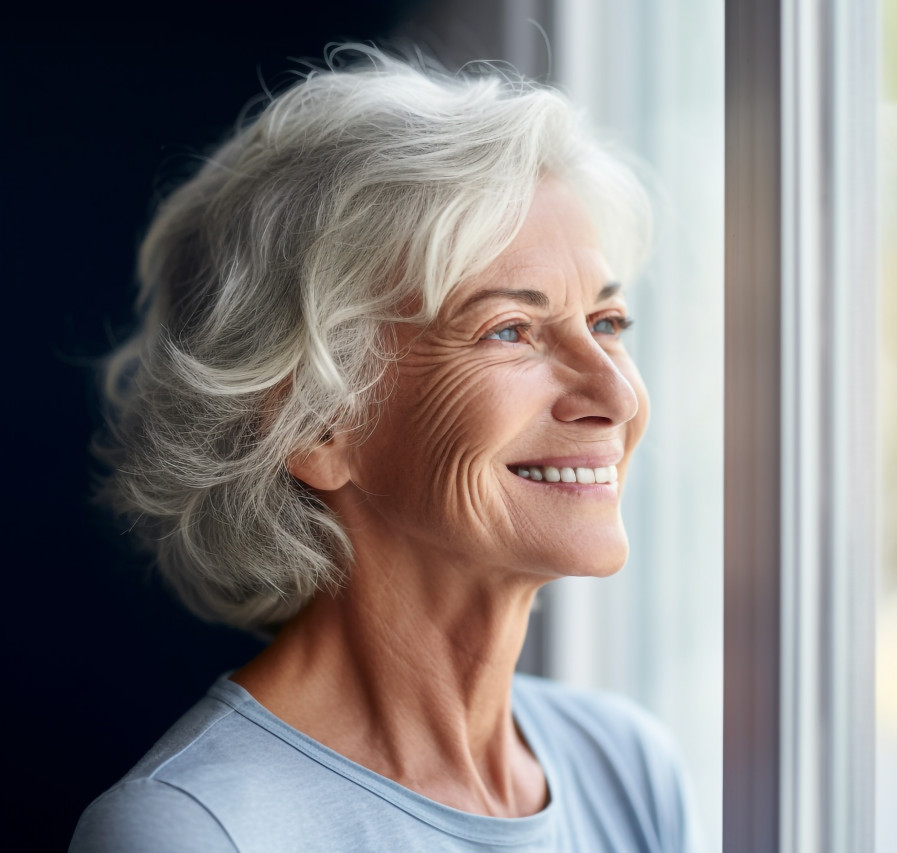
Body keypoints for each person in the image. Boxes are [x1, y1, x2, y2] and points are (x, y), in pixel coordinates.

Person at [71, 45, 697, 852]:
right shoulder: (193, 830)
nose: (617, 395)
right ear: (313, 420)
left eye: (607, 323)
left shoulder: (627, 765)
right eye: (510, 329)